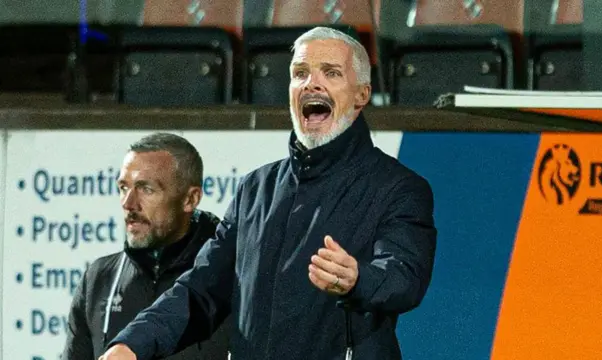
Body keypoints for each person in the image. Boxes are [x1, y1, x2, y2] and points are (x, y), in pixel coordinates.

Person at [100, 26, 437, 360]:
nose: (311, 83)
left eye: (331, 73)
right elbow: (200, 290)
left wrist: (359, 278)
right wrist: (132, 344)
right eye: (300, 73)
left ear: (362, 94)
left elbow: (404, 277)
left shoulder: (398, 188)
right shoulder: (255, 190)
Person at [62, 133, 230, 360]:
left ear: (190, 199)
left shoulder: (231, 278)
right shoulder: (99, 279)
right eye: (123, 187)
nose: (128, 203)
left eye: (146, 189)